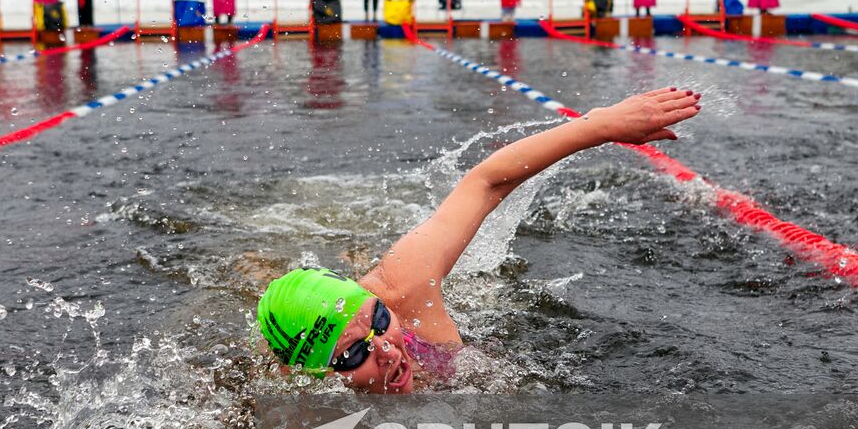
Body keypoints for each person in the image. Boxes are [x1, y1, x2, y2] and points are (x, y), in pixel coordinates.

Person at [256, 87, 702, 393]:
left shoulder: (403, 289)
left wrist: (599, 126)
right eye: (353, 355)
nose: (388, 350)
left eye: (376, 322)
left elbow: (485, 183)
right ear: (312, 375)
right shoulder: (307, 408)